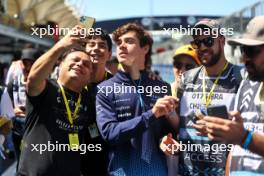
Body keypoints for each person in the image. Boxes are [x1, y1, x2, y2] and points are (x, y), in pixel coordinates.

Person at [162, 18, 246, 176]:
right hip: (187, 171)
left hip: (226, 171)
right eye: (197, 43)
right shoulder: (186, 79)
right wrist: (168, 121)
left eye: (208, 41)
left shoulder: (242, 77)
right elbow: (179, 125)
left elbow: (252, 128)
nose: (202, 47)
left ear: (222, 41)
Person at [96, 23, 179, 176]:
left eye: (129, 41)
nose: (121, 46)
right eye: (119, 42)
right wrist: (151, 114)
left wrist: (165, 140)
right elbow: (109, 133)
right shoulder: (104, 89)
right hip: (121, 171)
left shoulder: (161, 86)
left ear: (145, 48)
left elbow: (164, 129)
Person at [17, 26, 93, 176]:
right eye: (75, 60)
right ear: (61, 64)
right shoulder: (46, 88)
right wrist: (61, 45)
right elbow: (33, 78)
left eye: (86, 64)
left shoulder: (89, 101)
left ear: (90, 75)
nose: (80, 64)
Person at [195, 16, 264, 175]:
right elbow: (235, 149)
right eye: (242, 50)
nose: (244, 58)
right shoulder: (247, 85)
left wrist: (244, 138)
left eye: (251, 50)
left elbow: (241, 138)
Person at [81, 30, 113, 176]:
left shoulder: (116, 84)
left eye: (101, 45)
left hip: (106, 155)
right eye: (91, 44)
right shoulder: (73, 81)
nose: (95, 49)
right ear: (84, 50)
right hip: (76, 153)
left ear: (109, 54)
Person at [6, 48, 41, 171]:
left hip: (38, 133)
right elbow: (5, 108)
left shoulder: (47, 85)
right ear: (20, 63)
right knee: (20, 164)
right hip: (18, 131)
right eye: (25, 63)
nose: (28, 67)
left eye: (32, 63)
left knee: (35, 166)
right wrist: (13, 111)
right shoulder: (13, 84)